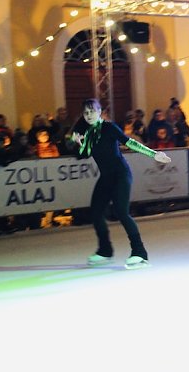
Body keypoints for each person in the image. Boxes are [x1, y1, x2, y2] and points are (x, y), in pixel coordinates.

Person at [70, 98, 171, 269]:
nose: (89, 115)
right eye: (86, 112)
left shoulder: (109, 127)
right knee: (95, 213)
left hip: (121, 175)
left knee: (121, 212)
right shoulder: (88, 132)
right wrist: (78, 142)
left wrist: (153, 154)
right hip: (106, 177)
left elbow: (129, 142)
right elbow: (84, 154)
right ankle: (105, 251)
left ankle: (140, 254)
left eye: (92, 111)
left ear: (100, 111)